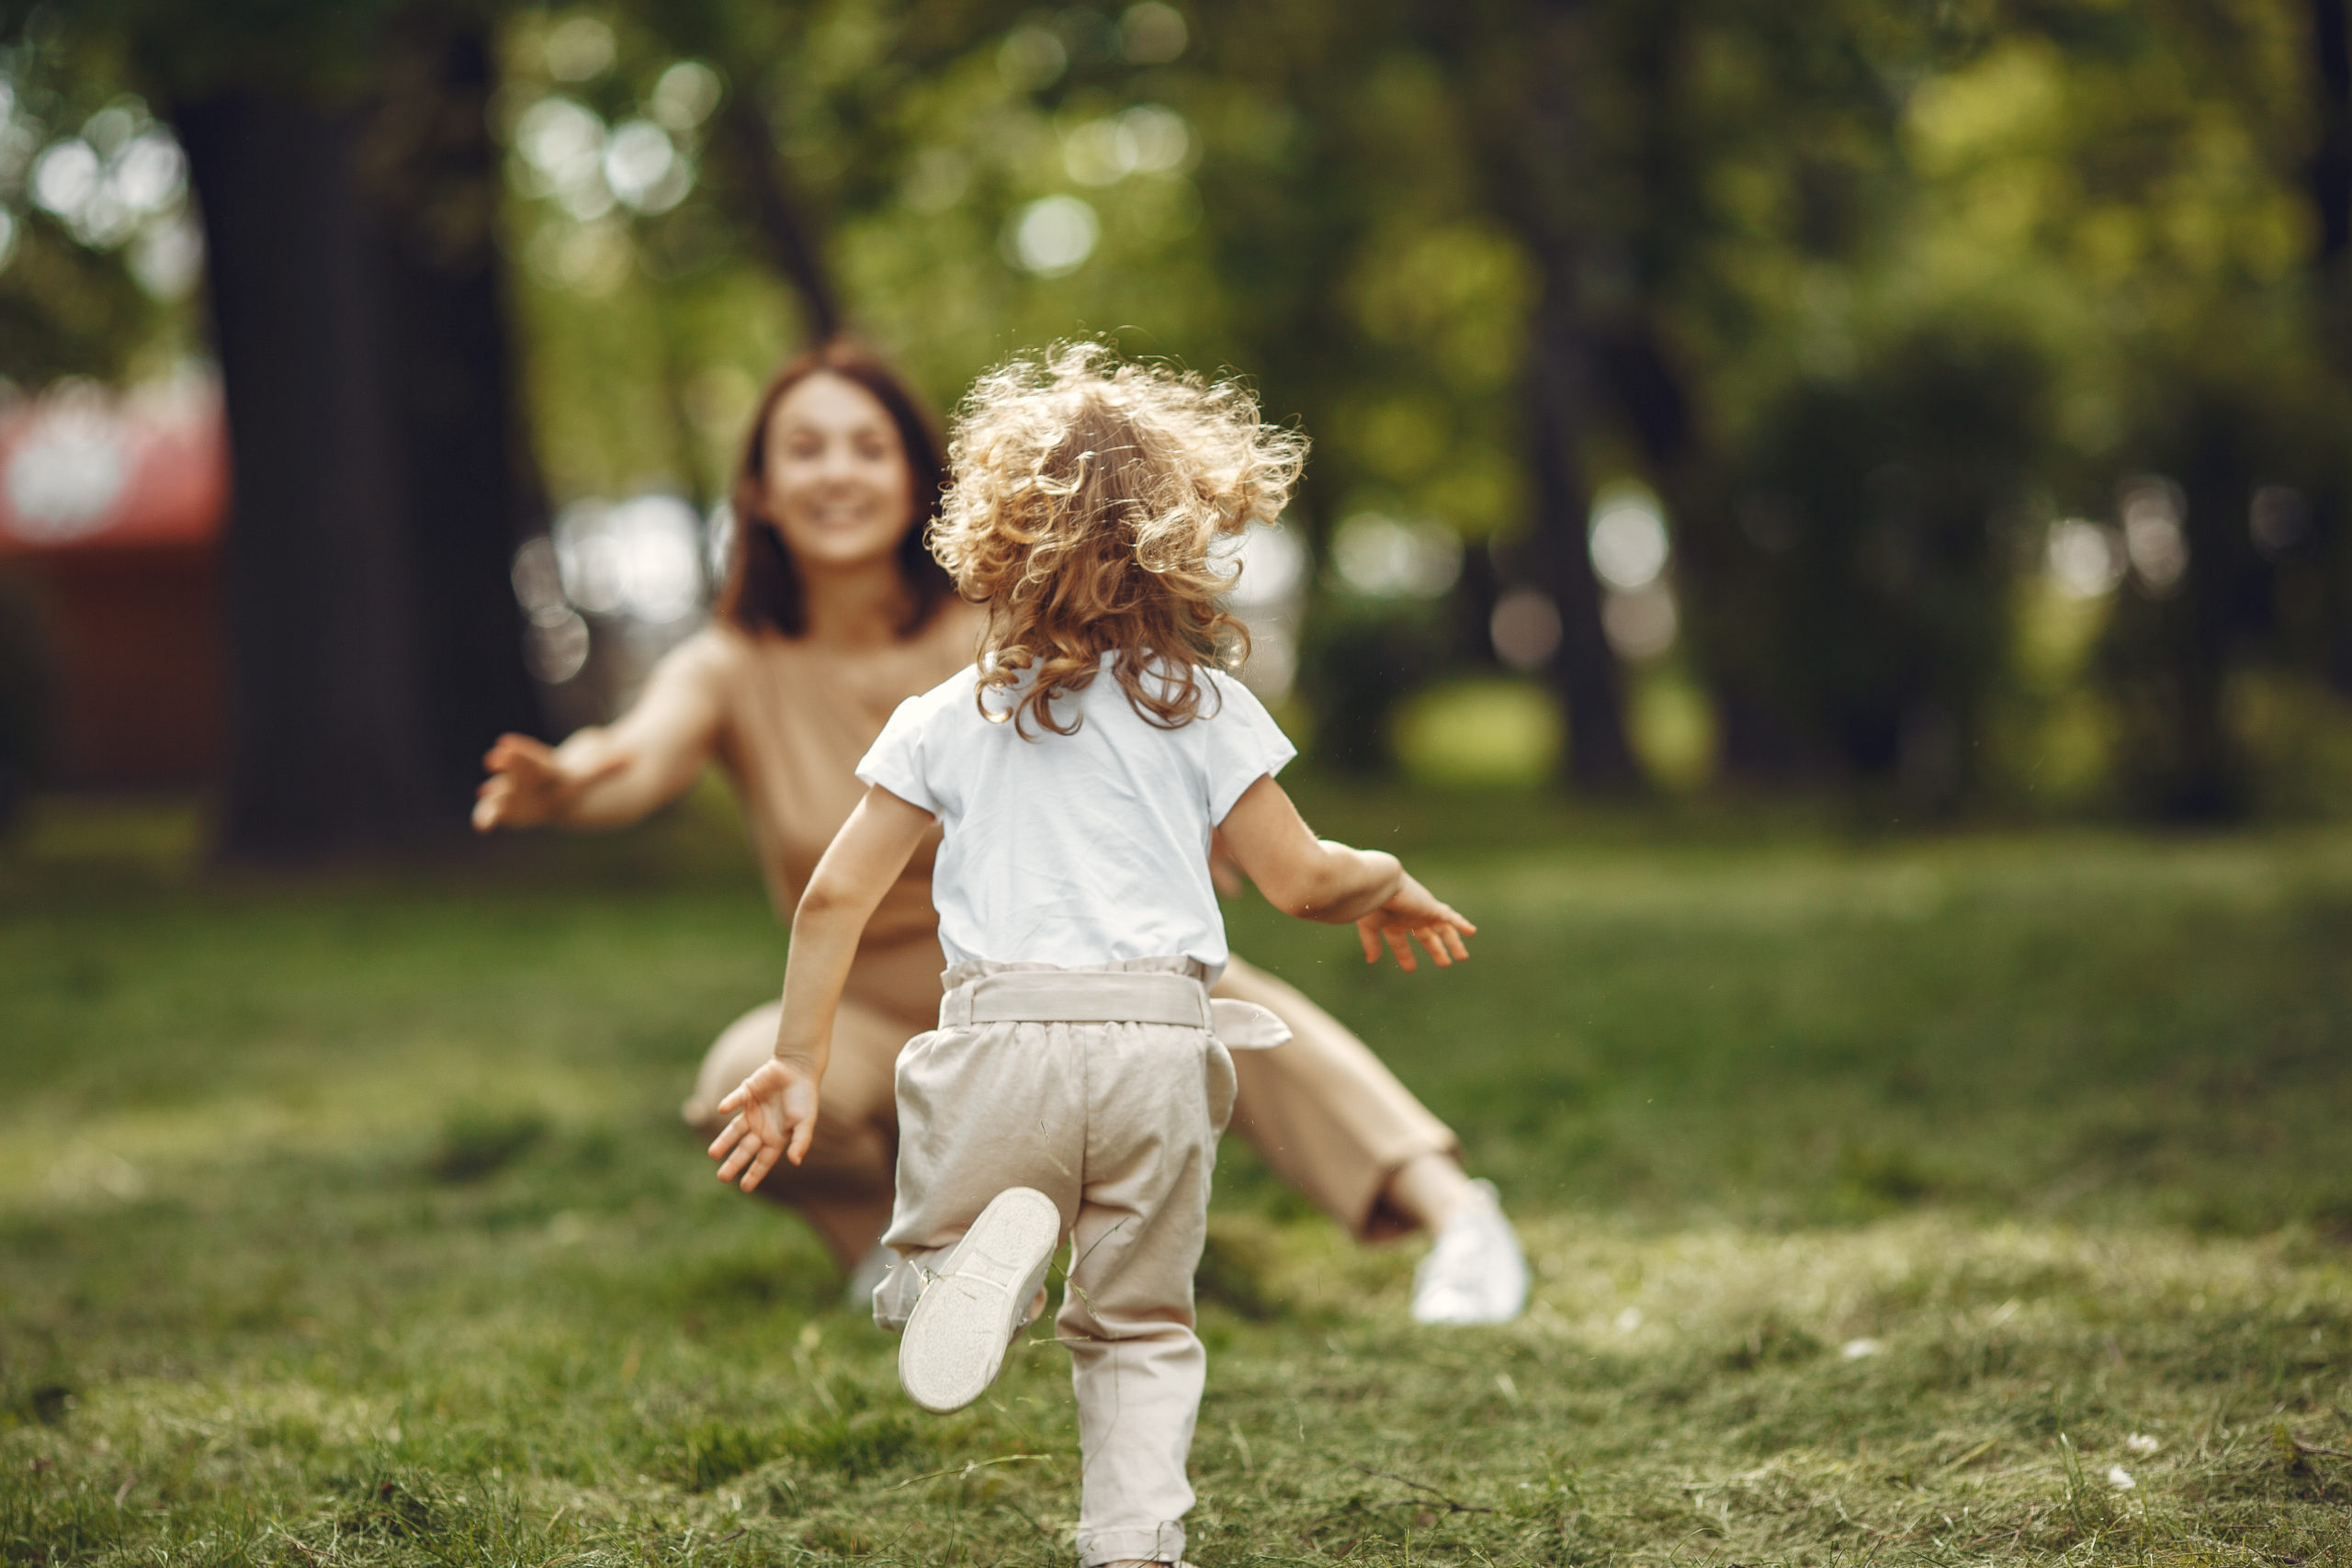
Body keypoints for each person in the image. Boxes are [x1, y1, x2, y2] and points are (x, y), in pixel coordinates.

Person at [473, 338, 1525, 1325]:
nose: (836, 472)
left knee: (1230, 1010)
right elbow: (635, 759)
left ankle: (1459, 1219)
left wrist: (1182, 822)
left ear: (920, 478)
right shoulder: (731, 663)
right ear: (759, 492)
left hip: (1081, 950)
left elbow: (1136, 726)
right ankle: (898, 1263)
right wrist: (566, 783)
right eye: (804, 448)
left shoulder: (1005, 621)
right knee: (739, 1079)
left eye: (866, 446)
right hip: (882, 1005)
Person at [707, 343, 1481, 1568]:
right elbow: (1301, 877)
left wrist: (801, 1058)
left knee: (950, 1222)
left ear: (987, 539)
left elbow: (833, 897)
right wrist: (1384, 882)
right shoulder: (1206, 708)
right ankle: (1131, 1537)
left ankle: (963, 1267)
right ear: (1186, 536)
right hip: (1160, 1052)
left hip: (997, 1040)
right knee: (1137, 1321)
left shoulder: (944, 715)